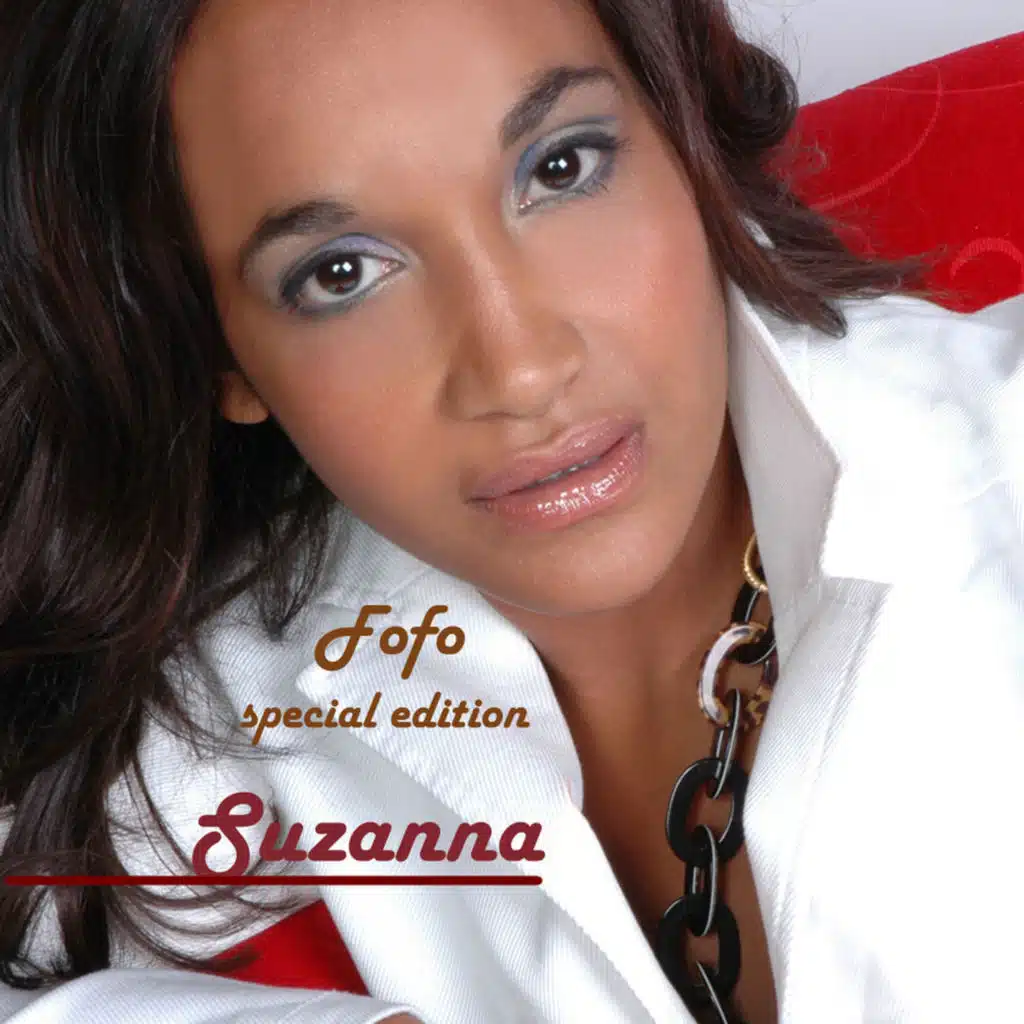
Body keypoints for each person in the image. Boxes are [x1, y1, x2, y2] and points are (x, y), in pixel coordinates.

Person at [1, 0, 1022, 1022]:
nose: (521, 368)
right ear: (218, 353)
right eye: (341, 273)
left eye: (562, 167)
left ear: (679, 125)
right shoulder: (259, 666)